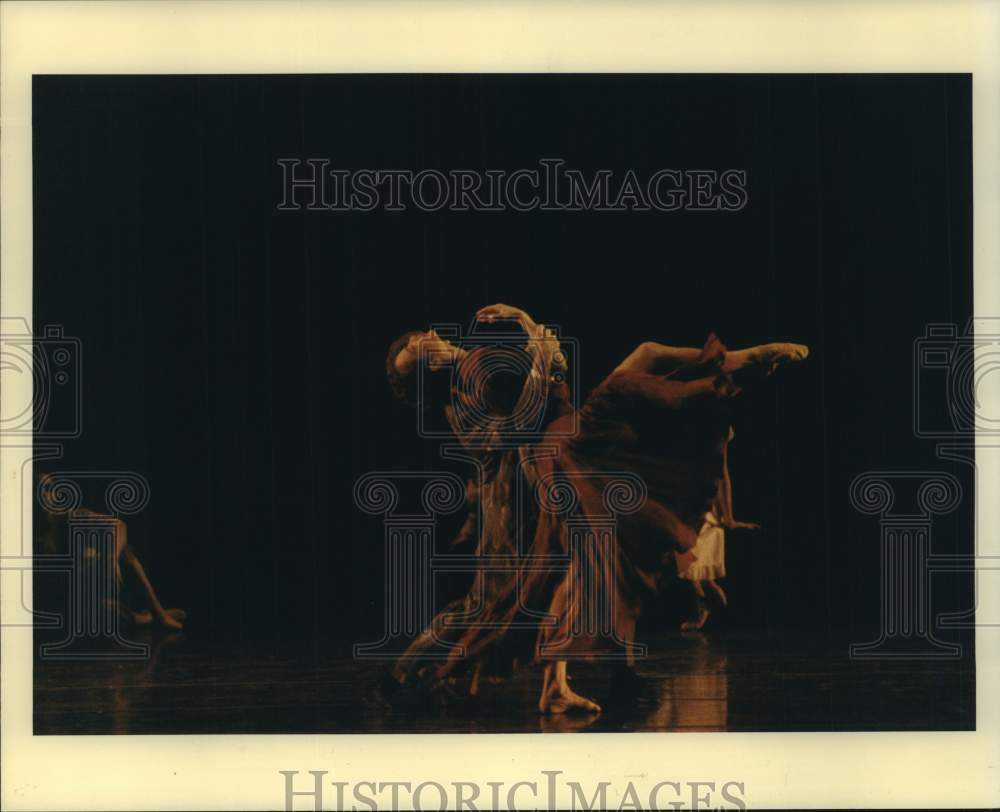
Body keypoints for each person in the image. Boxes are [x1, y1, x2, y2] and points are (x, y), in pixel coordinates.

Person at [415, 329, 808, 714]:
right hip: (564, 454)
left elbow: (556, 368)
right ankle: (738, 366)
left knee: (648, 354)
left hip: (581, 435)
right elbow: (522, 417)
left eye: (424, 338)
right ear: (430, 366)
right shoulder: (467, 395)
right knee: (573, 573)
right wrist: (537, 352)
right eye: (419, 347)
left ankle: (583, 681)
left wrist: (529, 330)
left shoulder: (480, 363)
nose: (428, 336)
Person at [36, 472, 186, 631]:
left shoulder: (68, 517)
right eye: (38, 490)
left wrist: (110, 559)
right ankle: (148, 617)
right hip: (65, 602)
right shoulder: (21, 535)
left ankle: (159, 614)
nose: (45, 495)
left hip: (93, 589)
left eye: (49, 488)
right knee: (103, 616)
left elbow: (117, 526)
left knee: (125, 554)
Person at [678, 425, 759, 631]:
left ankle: (707, 602)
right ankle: (707, 599)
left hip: (704, 505)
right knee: (687, 562)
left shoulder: (718, 429)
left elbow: (723, 474)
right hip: (685, 498)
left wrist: (728, 517)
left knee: (690, 560)